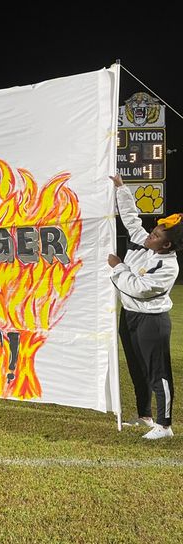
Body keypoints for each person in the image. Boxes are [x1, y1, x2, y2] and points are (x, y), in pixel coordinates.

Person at [108, 174, 182, 440]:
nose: (150, 235)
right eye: (153, 232)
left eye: (157, 235)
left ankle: (164, 425)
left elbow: (138, 287)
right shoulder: (144, 242)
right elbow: (130, 218)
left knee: (157, 372)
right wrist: (121, 188)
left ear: (167, 244)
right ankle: (144, 416)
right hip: (130, 316)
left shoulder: (168, 266)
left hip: (152, 321)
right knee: (137, 368)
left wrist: (118, 267)